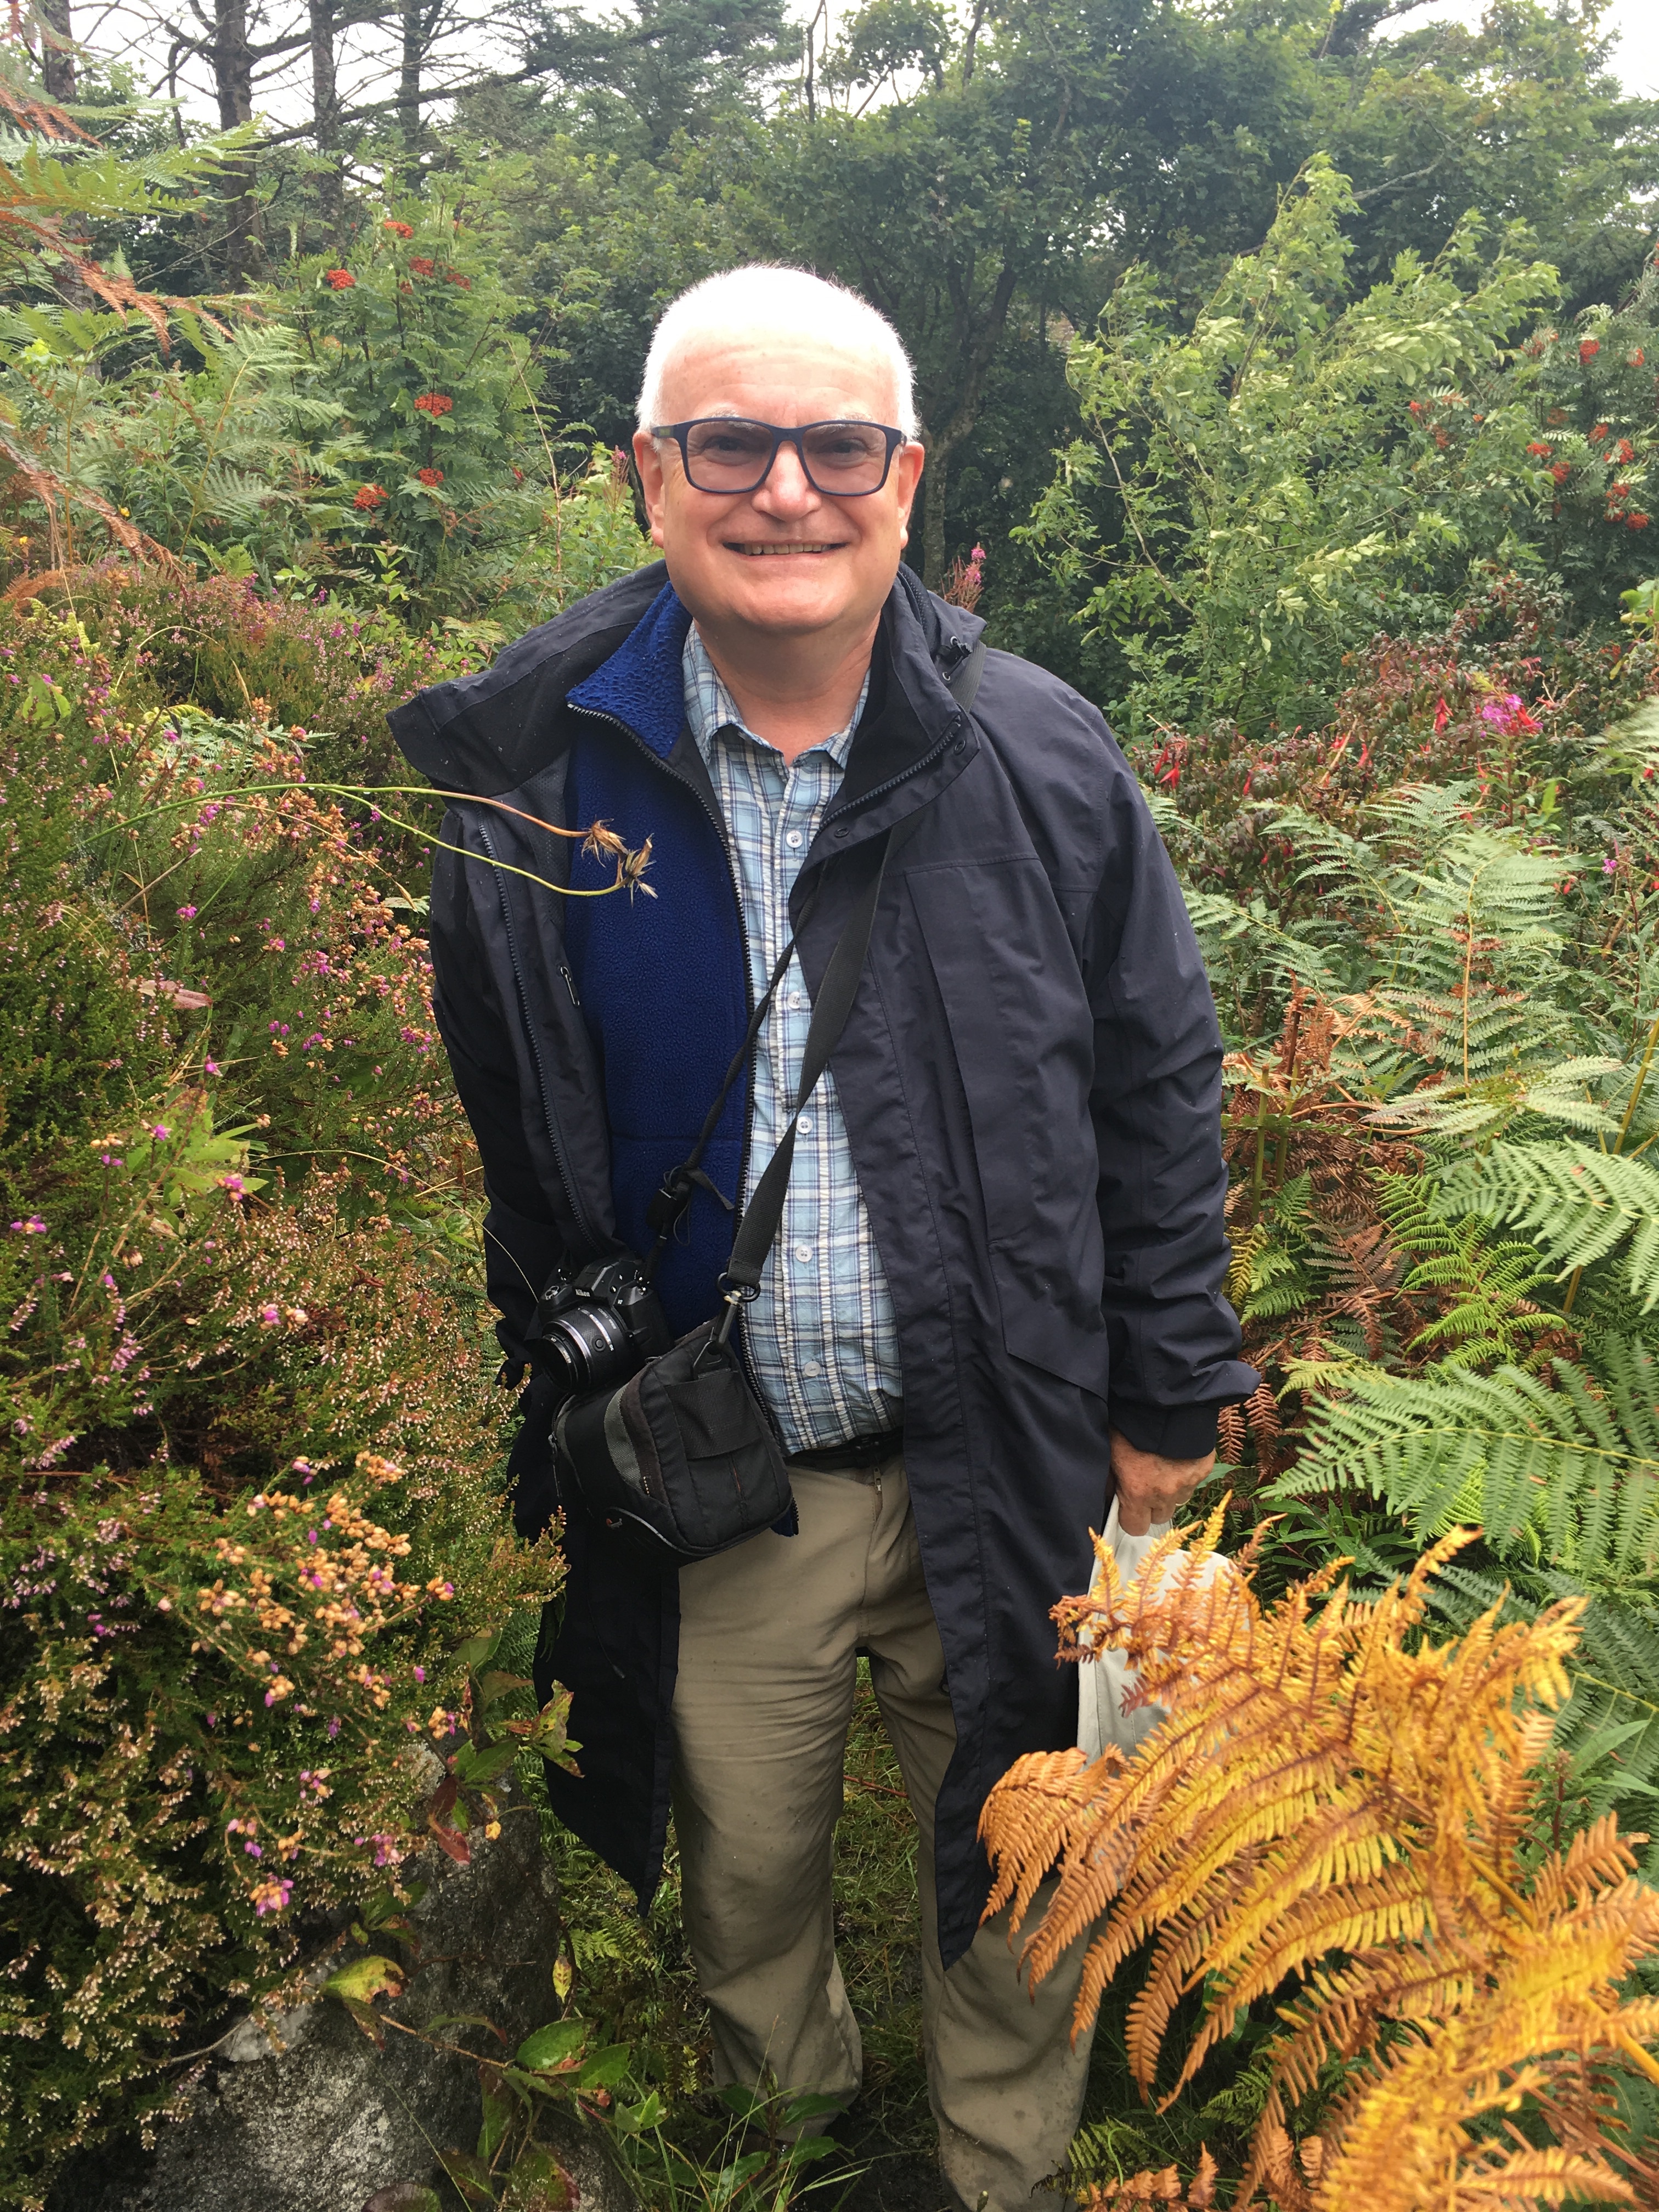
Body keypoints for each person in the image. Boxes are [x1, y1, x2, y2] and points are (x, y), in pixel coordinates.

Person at [390, 264, 1255, 2212]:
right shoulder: (531, 787)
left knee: (1031, 1845)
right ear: (650, 475)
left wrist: (1167, 1400)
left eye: (838, 446)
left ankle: (997, 2167)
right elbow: (514, 1127)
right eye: (730, 444)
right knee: (749, 1861)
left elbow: (1158, 1082)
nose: (787, 488)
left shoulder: (1042, 757)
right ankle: (780, 2139)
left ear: (905, 477)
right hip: (721, 1480)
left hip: (1016, 1442)